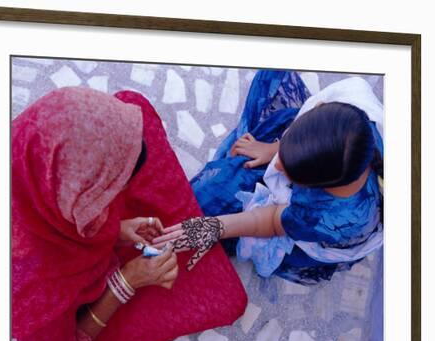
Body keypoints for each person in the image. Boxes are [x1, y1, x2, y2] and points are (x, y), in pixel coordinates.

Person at [11, 87, 247, 341]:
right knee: (224, 298)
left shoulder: (27, 147)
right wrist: (126, 281)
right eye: (113, 187)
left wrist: (117, 230)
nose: (122, 195)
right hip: (78, 308)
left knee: (134, 110)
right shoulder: (27, 294)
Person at [153, 70, 384, 285]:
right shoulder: (354, 114)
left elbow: (273, 220)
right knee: (272, 75)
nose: (278, 166)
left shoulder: (329, 218)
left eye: (288, 168)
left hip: (303, 228)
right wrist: (273, 149)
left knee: (206, 201)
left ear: (318, 185)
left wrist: (215, 226)